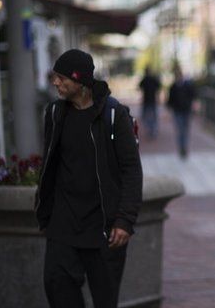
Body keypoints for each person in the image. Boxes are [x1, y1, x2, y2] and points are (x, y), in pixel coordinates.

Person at [35, 49, 143, 308]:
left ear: (80, 81)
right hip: (63, 225)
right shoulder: (54, 113)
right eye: (54, 77)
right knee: (57, 289)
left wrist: (125, 220)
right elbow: (50, 164)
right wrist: (45, 210)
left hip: (103, 228)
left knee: (105, 300)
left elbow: (131, 169)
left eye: (62, 78)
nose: (55, 83)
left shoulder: (113, 115)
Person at [167, 62, 195, 159]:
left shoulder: (187, 85)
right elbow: (170, 99)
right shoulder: (173, 86)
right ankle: (182, 148)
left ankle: (184, 147)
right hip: (178, 111)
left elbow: (193, 95)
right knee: (180, 130)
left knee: (185, 130)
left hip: (186, 110)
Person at [139, 66, 161, 139]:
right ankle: (152, 130)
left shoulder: (146, 79)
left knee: (147, 116)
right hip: (150, 100)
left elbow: (140, 86)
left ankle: (151, 130)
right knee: (151, 116)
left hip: (148, 100)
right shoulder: (151, 79)